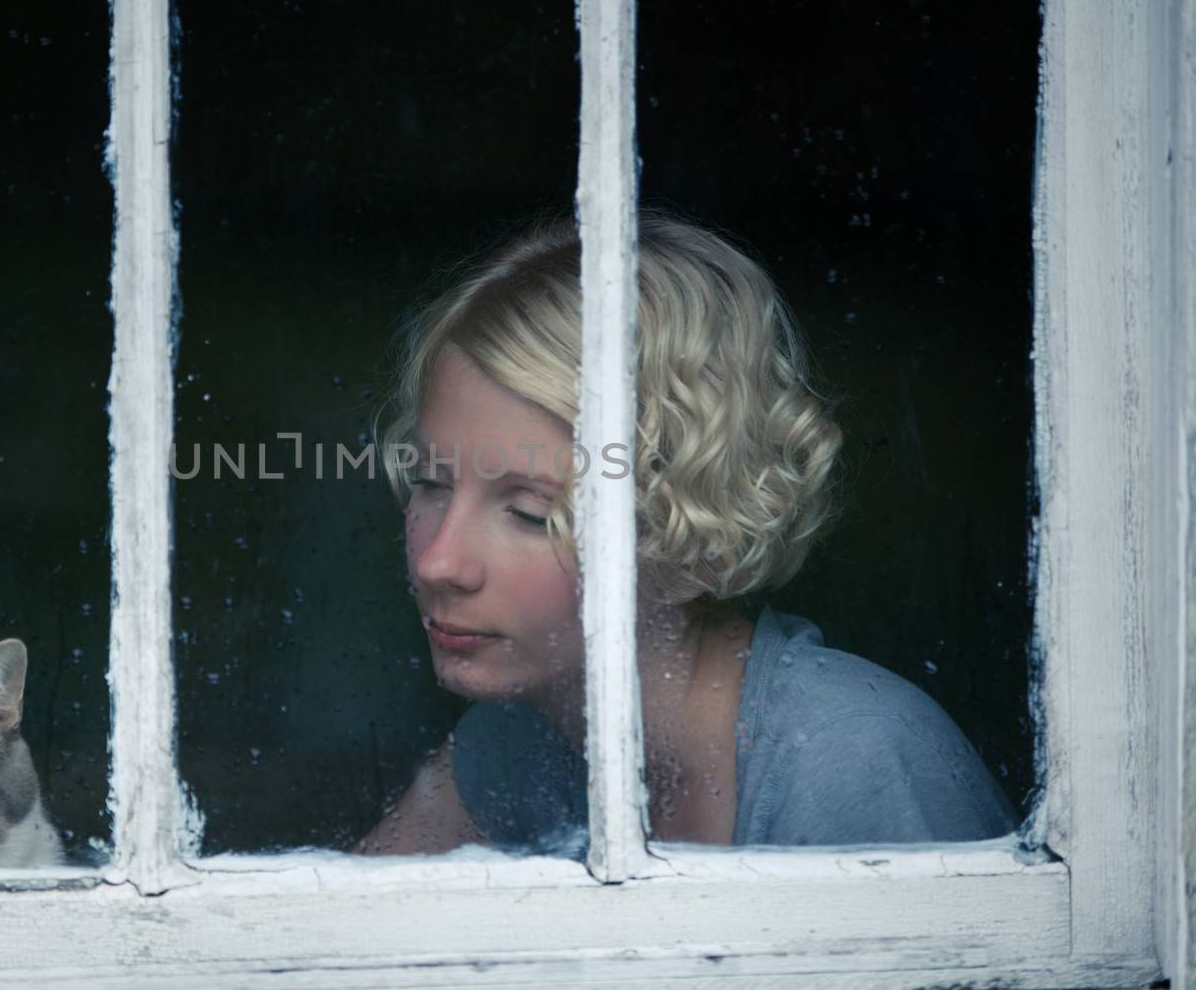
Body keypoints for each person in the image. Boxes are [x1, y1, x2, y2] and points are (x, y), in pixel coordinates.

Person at [355, 212, 1016, 855]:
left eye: (531, 513)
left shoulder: (856, 764)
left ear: (681, 523)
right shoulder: (515, 744)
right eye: (432, 482)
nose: (439, 562)